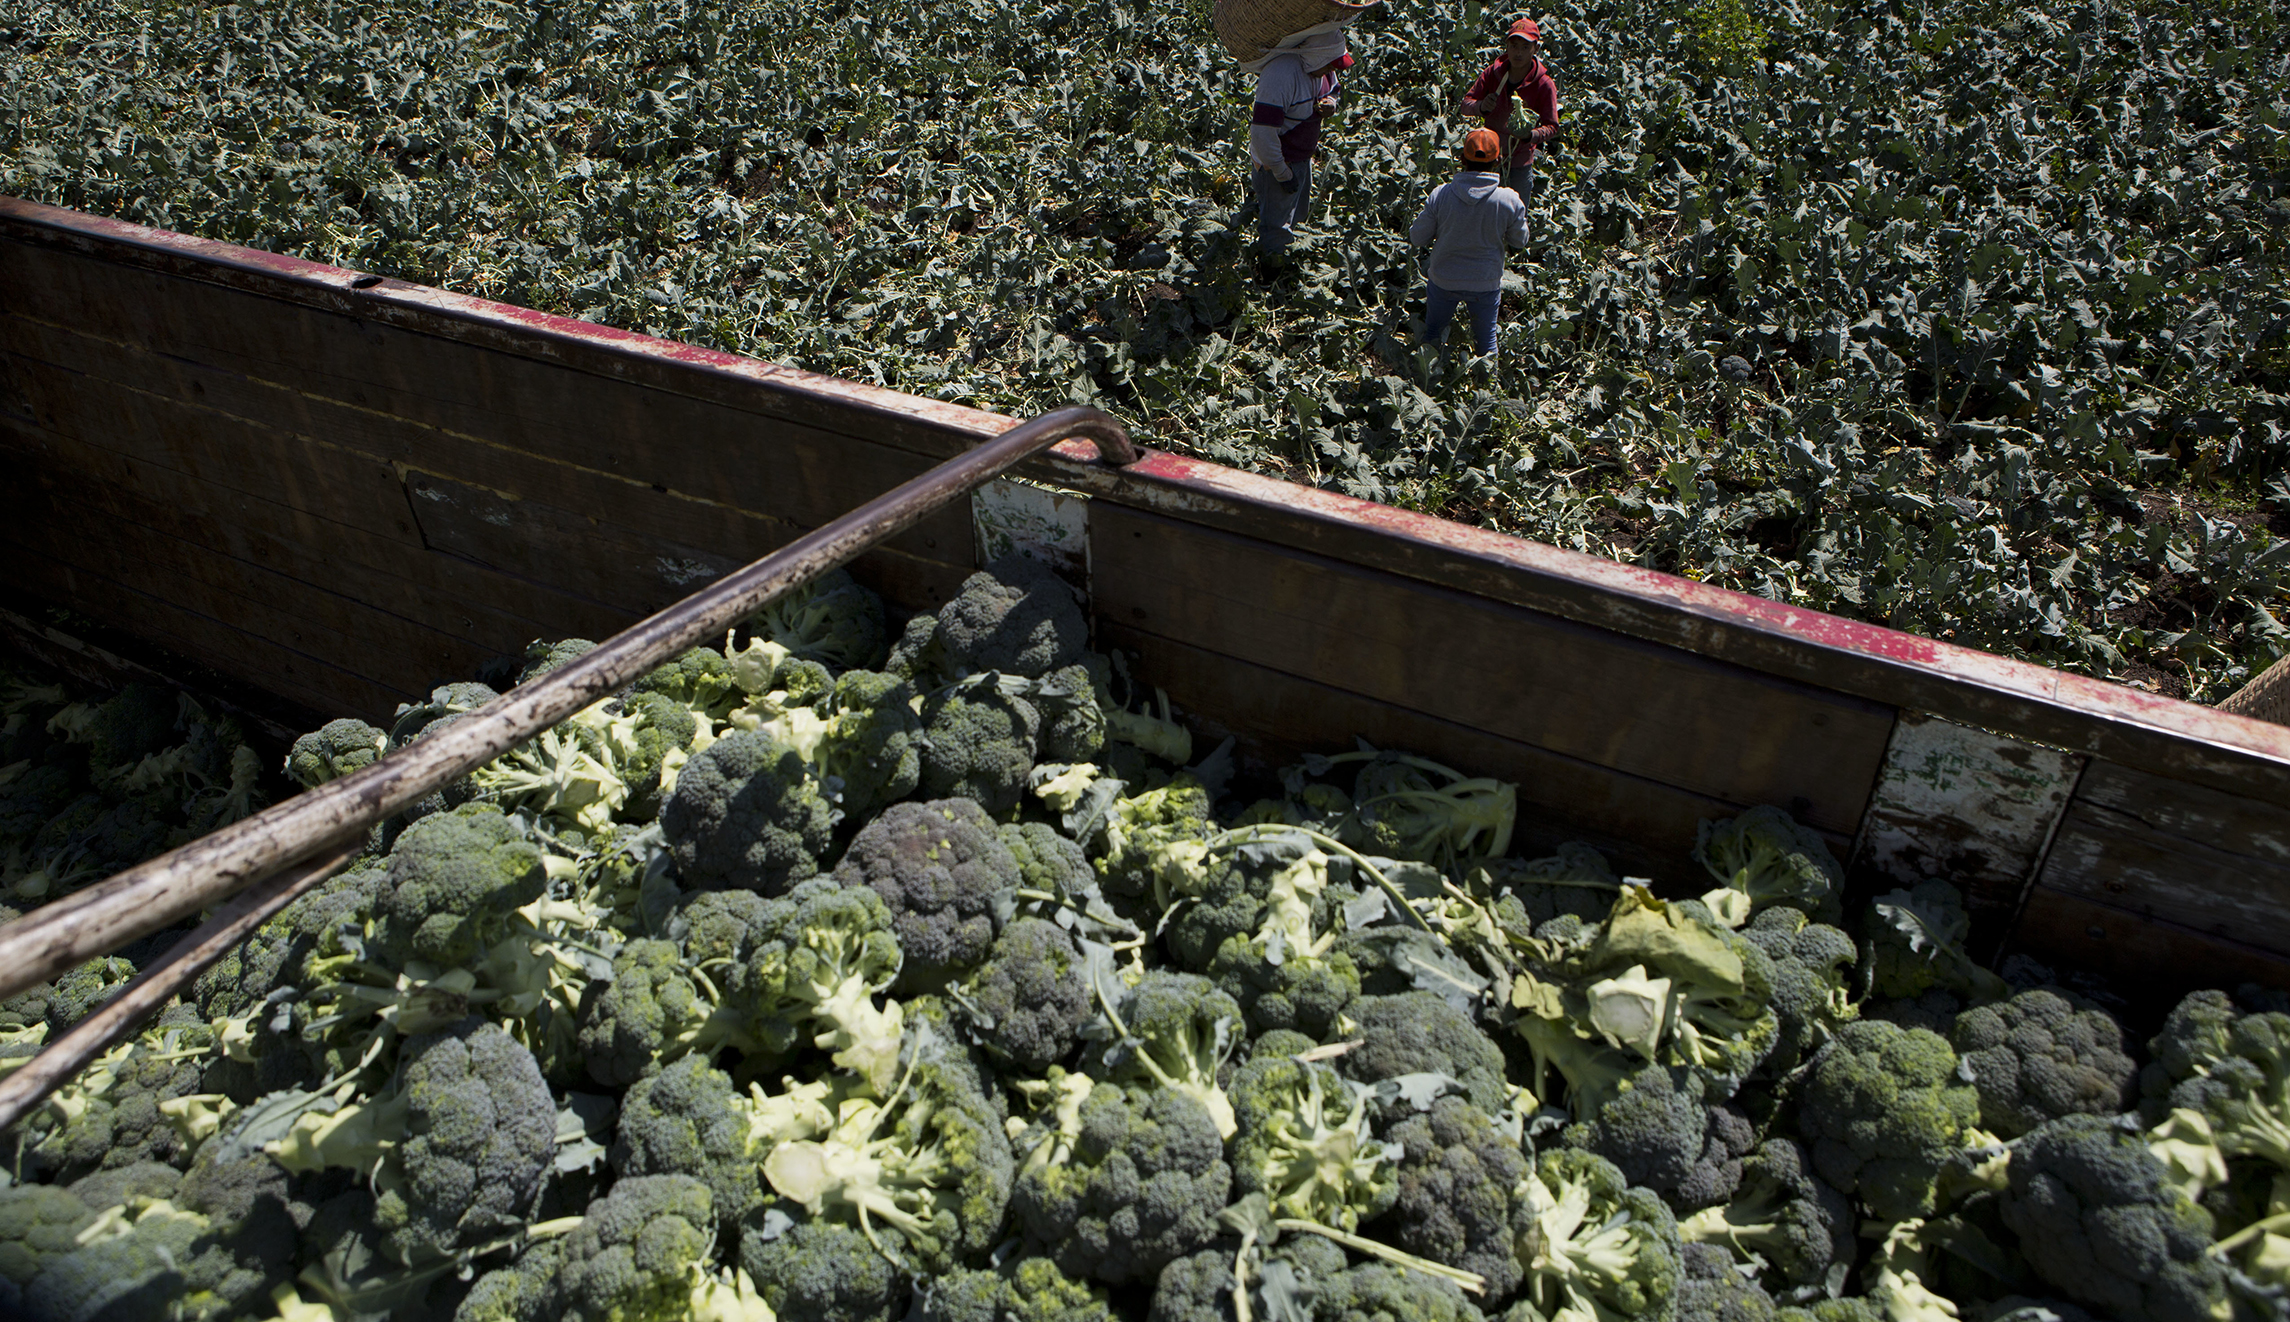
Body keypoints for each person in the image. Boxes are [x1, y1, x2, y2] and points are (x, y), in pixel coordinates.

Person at [1409, 128, 1527, 362]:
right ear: (1498, 161)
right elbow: (1520, 241)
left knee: (1433, 334)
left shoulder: (1441, 194)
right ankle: (1489, 391)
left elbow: (1417, 237)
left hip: (1444, 279)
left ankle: (1426, 382)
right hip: (1485, 282)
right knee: (1486, 344)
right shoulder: (1509, 199)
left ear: (1461, 159)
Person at [1243, 27, 1354, 258]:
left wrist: (1332, 102)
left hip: (1302, 158)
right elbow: (1262, 136)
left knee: (1297, 214)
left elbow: (1334, 86)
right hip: (1277, 165)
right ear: (1315, 56)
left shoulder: (1319, 67)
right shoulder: (1280, 76)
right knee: (1276, 227)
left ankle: (1290, 260)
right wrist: (1283, 174)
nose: (1332, 70)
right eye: (1330, 65)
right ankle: (1271, 275)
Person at [1458, 17, 1559, 202]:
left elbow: (1552, 126)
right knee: (1481, 213)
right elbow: (1465, 105)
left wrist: (1530, 135)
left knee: (1515, 217)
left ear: (1535, 49)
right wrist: (1480, 107)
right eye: (1514, 46)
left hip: (1520, 164)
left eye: (1525, 47)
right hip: (1486, 160)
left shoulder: (1544, 84)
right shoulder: (1492, 74)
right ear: (1507, 47)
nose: (1518, 53)